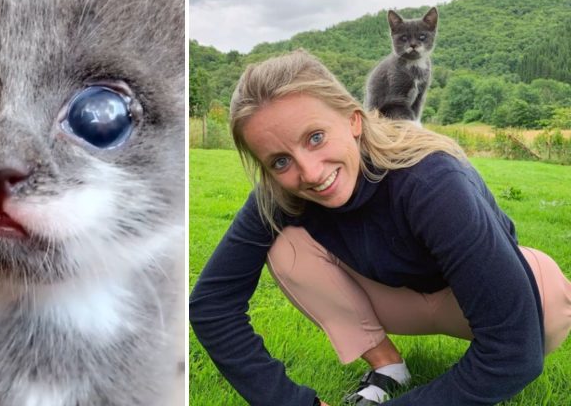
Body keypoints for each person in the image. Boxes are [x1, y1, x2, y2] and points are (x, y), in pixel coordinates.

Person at [189, 50, 571, 406]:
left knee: (538, 320)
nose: (310, 172)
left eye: (316, 137)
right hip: (400, 297)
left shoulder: (430, 179)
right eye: (280, 161)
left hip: (514, 299)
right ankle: (387, 366)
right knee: (285, 241)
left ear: (354, 120)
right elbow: (212, 305)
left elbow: (513, 355)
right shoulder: (280, 193)